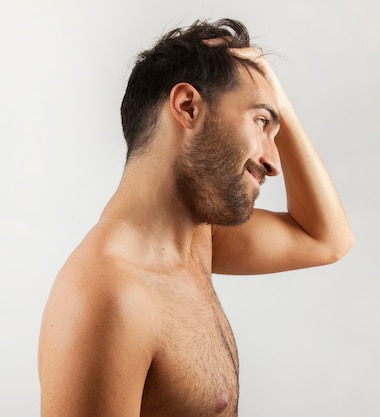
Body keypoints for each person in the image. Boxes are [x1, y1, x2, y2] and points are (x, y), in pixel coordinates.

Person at [38, 18, 353, 417]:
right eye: (260, 122)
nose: (274, 162)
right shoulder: (106, 300)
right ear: (188, 107)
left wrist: (278, 104)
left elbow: (326, 239)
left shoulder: (196, 240)